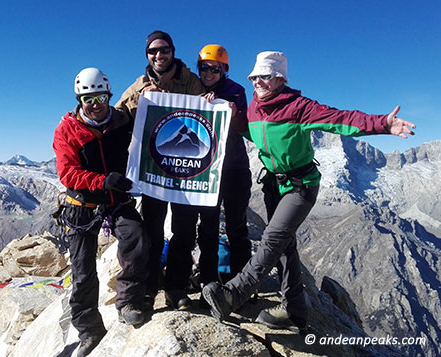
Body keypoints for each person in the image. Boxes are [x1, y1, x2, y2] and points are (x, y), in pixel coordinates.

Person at [202, 51, 416, 332]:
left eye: (265, 77)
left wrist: (382, 124)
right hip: (273, 184)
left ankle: (234, 293)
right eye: (254, 77)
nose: (257, 82)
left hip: (300, 186)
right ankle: (295, 311)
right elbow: (249, 131)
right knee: (283, 247)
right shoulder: (254, 108)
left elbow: (340, 118)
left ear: (280, 79)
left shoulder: (299, 106)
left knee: (273, 238)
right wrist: (233, 116)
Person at [53, 68, 150, 356]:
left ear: (109, 96)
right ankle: (89, 331)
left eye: (101, 97)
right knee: (83, 272)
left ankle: (128, 301)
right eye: (88, 99)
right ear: (79, 100)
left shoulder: (122, 121)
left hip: (116, 201)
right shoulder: (66, 130)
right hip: (82, 207)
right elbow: (68, 174)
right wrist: (102, 181)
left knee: (137, 237)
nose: (95, 105)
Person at [116, 30, 205, 310]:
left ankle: (176, 286)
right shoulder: (140, 84)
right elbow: (116, 116)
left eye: (163, 49)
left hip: (188, 172)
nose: (158, 55)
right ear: (147, 55)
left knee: (185, 229)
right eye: (152, 51)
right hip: (154, 170)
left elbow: (207, 116)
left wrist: (215, 103)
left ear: (172, 51)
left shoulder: (191, 81)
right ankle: (150, 285)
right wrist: (140, 98)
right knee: (152, 228)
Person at [168, 44, 252, 308]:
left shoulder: (236, 91)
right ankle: (205, 281)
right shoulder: (194, 88)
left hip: (235, 168)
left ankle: (241, 285)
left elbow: (243, 128)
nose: (208, 72)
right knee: (206, 228)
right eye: (204, 67)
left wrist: (233, 112)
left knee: (237, 227)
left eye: (214, 68)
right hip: (204, 171)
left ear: (224, 69)